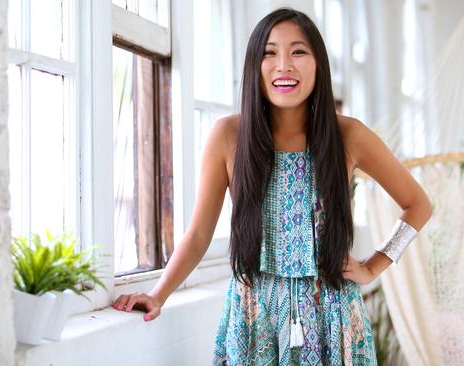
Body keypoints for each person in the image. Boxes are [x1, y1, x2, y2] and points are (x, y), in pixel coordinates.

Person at [112, 7, 432, 366]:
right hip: (254, 317)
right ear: (254, 66)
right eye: (270, 53)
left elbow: (418, 204)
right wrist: (158, 294)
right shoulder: (228, 136)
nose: (284, 65)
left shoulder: (349, 135)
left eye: (298, 52)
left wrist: (374, 266)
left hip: (332, 316)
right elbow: (200, 233)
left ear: (318, 65)